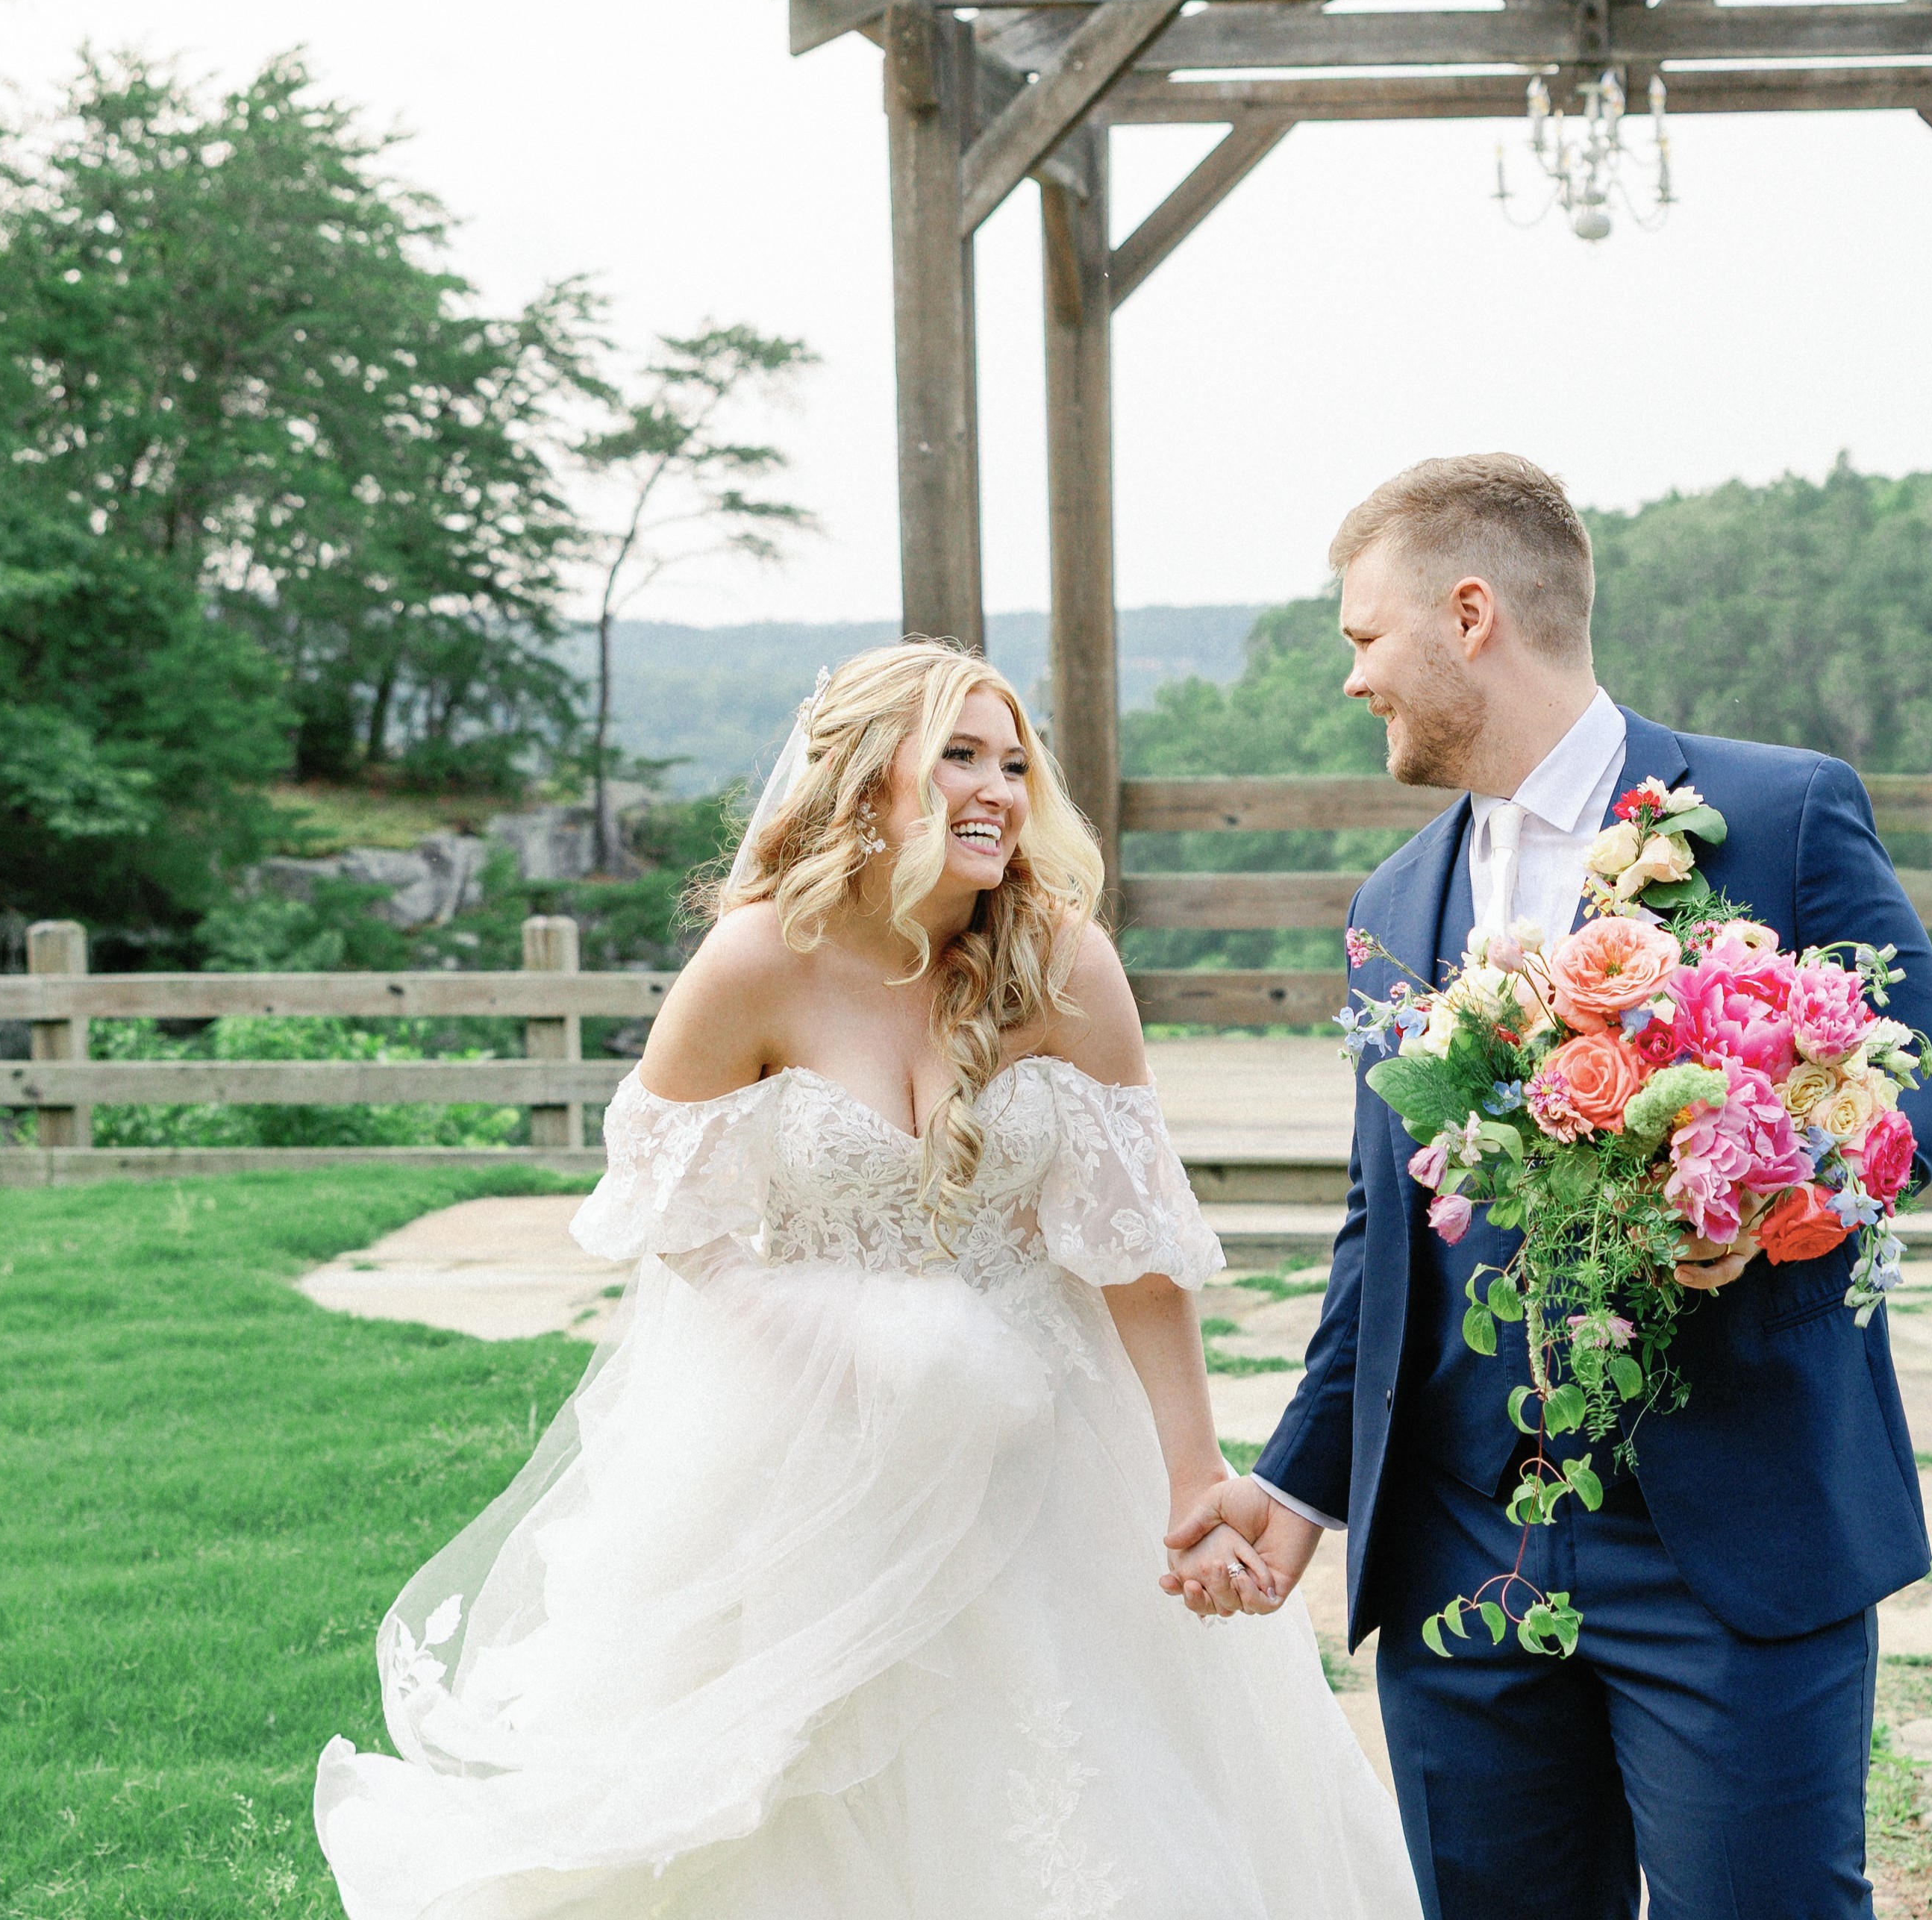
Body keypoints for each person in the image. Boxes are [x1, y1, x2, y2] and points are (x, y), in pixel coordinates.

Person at [314, 641, 1416, 1918]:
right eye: (959, 756)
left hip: (1052, 1440)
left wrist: (1189, 1472)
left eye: (1014, 763)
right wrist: (829, 1328)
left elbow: (1137, 1249)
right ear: (863, 779)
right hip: (814, 1438)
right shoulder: (758, 963)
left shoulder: (1065, 963)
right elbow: (664, 1207)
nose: (997, 789)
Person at [1165, 454, 1932, 1920]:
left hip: (1729, 1537)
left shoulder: (1778, 810)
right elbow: (1382, 1232)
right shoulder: (1390, 905)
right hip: (1459, 1550)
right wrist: (1296, 1480)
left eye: (1365, 635)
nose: (1353, 677)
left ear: (1469, 614)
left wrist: (1773, 1192)